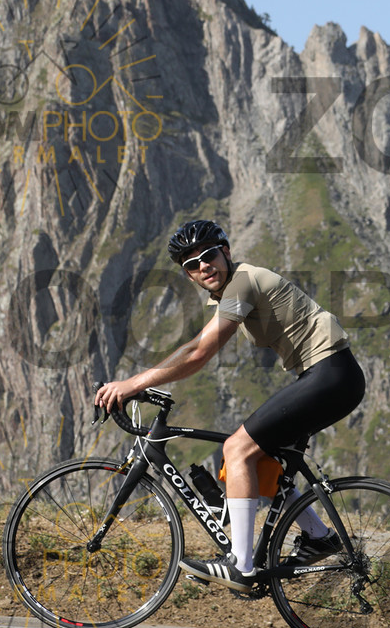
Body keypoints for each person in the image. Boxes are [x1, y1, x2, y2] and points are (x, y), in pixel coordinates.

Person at [92, 220, 367, 592]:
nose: (203, 267)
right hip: (329, 376)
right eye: (192, 264)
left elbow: (198, 352)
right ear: (188, 274)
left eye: (208, 256)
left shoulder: (243, 281)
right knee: (259, 458)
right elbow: (198, 347)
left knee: (237, 448)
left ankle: (240, 565)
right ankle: (319, 537)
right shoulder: (230, 291)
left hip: (330, 374)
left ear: (226, 252)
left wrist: (132, 384)